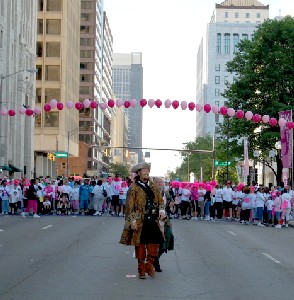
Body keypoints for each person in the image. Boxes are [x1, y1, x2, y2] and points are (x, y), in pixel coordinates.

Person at [119, 162, 166, 279]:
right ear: (139, 173)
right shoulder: (133, 188)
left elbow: (160, 200)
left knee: (155, 242)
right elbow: (130, 206)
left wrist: (161, 211)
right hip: (140, 219)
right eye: (144, 171)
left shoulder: (153, 187)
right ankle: (141, 268)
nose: (146, 173)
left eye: (148, 171)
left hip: (153, 220)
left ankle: (149, 264)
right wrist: (132, 221)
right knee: (140, 244)